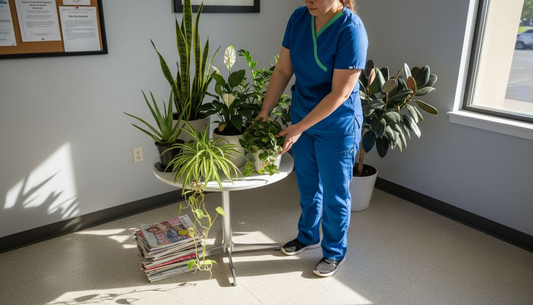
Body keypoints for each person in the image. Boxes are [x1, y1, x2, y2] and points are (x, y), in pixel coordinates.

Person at [256, 0, 368, 277]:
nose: (310, 1)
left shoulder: (350, 30)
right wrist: (264, 112)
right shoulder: (298, 18)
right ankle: (307, 236)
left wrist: (299, 127)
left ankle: (333, 252)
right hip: (302, 116)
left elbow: (339, 94)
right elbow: (283, 70)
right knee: (307, 184)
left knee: (334, 192)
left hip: (337, 124)